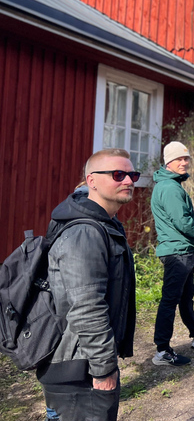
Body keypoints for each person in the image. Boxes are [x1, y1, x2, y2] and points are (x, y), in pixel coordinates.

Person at [37, 148, 137, 421]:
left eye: (132, 174)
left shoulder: (104, 225)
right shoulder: (85, 231)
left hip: (85, 361)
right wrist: (104, 368)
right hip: (78, 369)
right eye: (118, 174)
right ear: (92, 181)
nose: (128, 181)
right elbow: (86, 306)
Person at [151, 141, 194, 366]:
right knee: (170, 301)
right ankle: (162, 351)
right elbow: (183, 222)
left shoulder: (170, 185)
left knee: (184, 298)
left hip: (182, 251)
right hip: (177, 253)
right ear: (168, 162)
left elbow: (182, 218)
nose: (184, 162)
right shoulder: (170, 188)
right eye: (179, 159)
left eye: (186, 158)